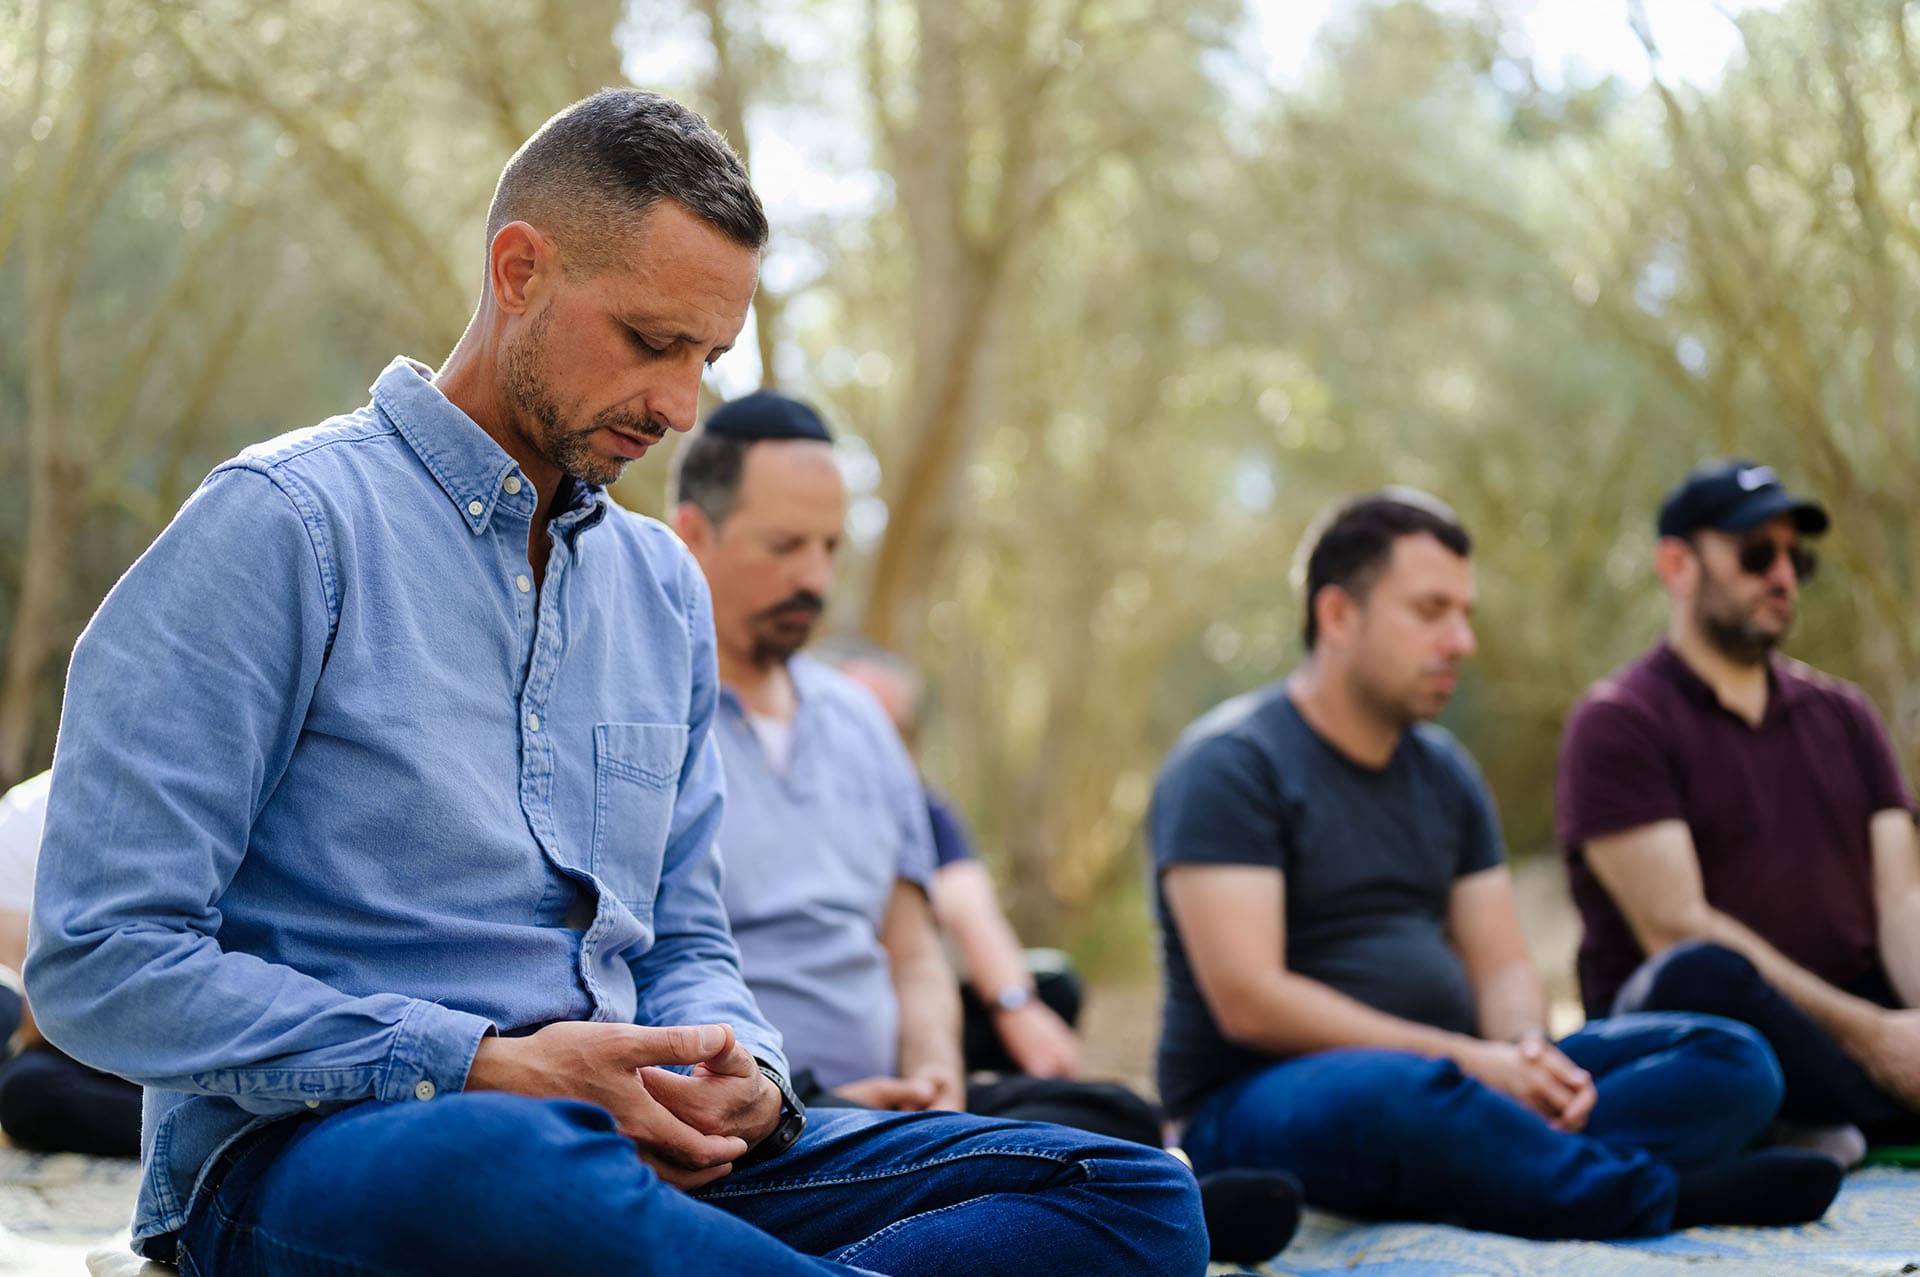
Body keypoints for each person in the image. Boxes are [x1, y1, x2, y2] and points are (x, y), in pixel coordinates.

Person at [26, 91, 1206, 1276]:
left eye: (708, 357)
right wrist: (484, 1061)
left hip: (639, 1154)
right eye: (651, 342)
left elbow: (686, 930)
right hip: (354, 1149)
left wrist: (748, 1073)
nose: (682, 406)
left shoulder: (661, 587)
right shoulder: (280, 527)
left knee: (1128, 1189)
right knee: (510, 1170)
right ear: (519, 269)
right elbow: (102, 959)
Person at [672, 390, 1299, 1264]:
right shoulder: (650, 715)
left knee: (1103, 1113)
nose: (815, 577)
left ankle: (1078, 1199)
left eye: (829, 548)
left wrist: (938, 1081)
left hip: (898, 1110)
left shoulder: (858, 723)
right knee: (1131, 1185)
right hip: (756, 1120)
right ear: (693, 535)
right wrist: (795, 1096)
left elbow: (915, 945)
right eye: (785, 546)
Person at [1151, 489, 1844, 1240]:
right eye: (1431, 610)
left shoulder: (1446, 773)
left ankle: (1502, 1166)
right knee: (1403, 1097)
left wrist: (1524, 1058)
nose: (1461, 641)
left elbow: (1503, 966)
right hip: (1262, 1099)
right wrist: (1471, 1064)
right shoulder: (1231, 764)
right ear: (1338, 616)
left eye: (1466, 614)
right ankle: (1666, 1196)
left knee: (1733, 1059)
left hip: (1462, 1078)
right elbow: (1250, 999)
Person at [1557, 458, 1920, 1159]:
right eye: (1757, 554)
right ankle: (1832, 1111)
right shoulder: (1618, 721)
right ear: (1677, 565)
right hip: (1697, 1031)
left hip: (1851, 1016)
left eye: (1795, 558)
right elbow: (1674, 926)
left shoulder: (1847, 715)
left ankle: (1826, 1120)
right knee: (1703, 969)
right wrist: (1875, 1038)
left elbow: (1902, 901)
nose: (1782, 575)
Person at [828, 644, 1083, 1080]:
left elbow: (970, 907)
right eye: (858, 722)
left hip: (907, 1004)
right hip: (820, 1010)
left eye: (893, 729)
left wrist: (1015, 1005)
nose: (876, 743)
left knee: (1055, 985)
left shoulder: (923, 809)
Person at [0, 770, 142, 1156]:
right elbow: (20, 1003)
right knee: (27, 1090)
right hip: (75, 1044)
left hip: (186, 1037)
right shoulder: (26, 816)